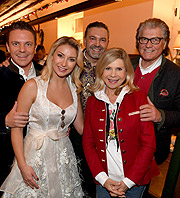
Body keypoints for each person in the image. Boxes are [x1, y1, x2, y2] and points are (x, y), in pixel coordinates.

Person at [0, 36, 84, 197]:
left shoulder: (74, 89)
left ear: (76, 63)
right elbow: (17, 130)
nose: (64, 63)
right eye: (60, 55)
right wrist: (22, 166)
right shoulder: (32, 85)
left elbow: (82, 128)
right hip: (34, 157)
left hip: (63, 158)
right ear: (52, 55)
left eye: (71, 59)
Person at [82, 48, 159, 198]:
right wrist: (103, 179)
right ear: (101, 71)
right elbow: (88, 143)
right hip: (104, 182)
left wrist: (128, 182)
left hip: (134, 182)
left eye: (119, 69)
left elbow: (148, 144)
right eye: (108, 68)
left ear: (126, 72)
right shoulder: (92, 101)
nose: (113, 74)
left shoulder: (138, 97)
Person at [0, 21, 43, 191]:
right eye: (16, 44)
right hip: (5, 163)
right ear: (8, 47)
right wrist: (4, 121)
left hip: (41, 160)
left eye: (28, 44)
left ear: (35, 47)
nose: (22, 50)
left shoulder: (48, 74)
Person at [131, 18, 180, 165]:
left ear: (164, 43)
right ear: (138, 41)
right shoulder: (124, 65)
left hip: (151, 152)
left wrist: (160, 116)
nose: (148, 45)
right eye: (144, 39)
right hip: (117, 146)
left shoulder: (176, 75)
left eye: (155, 40)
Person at [69, 21, 109, 197]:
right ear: (84, 40)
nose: (97, 44)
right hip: (74, 136)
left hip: (105, 136)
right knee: (78, 183)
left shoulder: (111, 65)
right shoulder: (72, 62)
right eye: (93, 38)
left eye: (102, 40)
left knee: (100, 184)